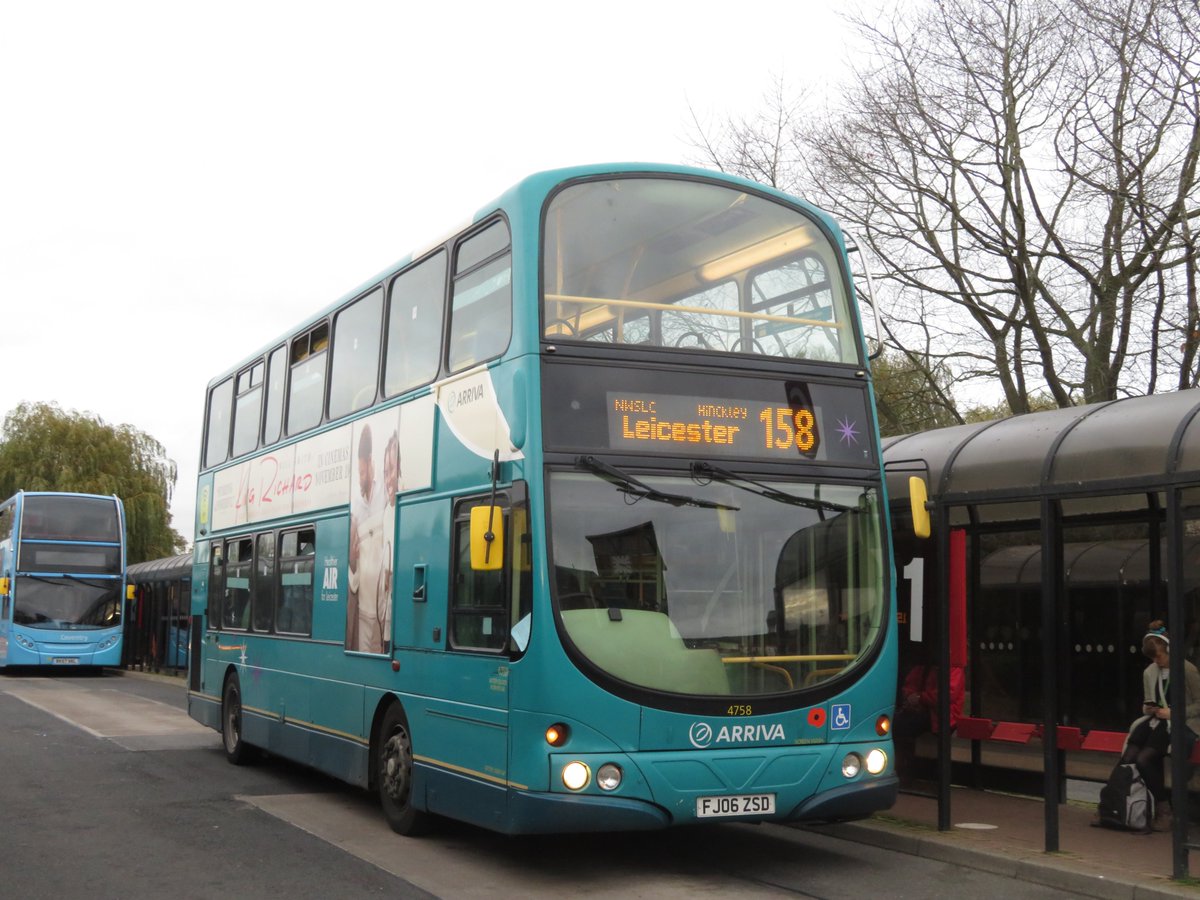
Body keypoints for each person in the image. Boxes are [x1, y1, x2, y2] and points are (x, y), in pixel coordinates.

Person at [1119, 620, 1200, 828]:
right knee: (1129, 756)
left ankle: (1164, 809)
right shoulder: (1150, 672)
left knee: (1144, 758)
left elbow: (1199, 703)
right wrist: (1150, 709)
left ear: (1169, 650)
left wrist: (1174, 713)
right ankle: (1118, 804)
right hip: (1158, 722)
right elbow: (1147, 701)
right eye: (1152, 658)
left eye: (1159, 656)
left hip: (1182, 724)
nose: (1157, 661)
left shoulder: (1187, 670)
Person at [893, 660, 965, 786]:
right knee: (899, 724)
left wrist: (919, 698)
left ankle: (906, 771)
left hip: (944, 715)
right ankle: (904, 770)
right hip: (924, 711)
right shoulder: (923, 665)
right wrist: (912, 697)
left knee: (902, 725)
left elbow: (947, 695)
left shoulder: (954, 667)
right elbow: (909, 686)